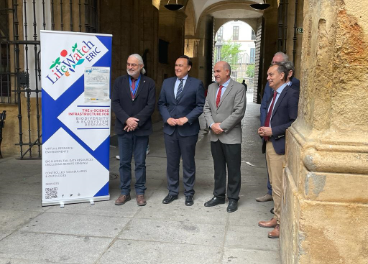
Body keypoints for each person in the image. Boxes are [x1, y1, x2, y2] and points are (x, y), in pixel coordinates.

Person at [257, 62, 299, 238]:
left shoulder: (291, 94)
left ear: (282, 75)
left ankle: (281, 225)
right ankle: (276, 217)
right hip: (270, 142)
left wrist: (273, 130)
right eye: (267, 75)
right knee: (274, 184)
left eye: (271, 75)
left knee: (279, 187)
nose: (268, 78)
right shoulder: (275, 94)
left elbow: (294, 122)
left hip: (279, 144)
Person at [158, 55, 205, 206]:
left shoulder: (197, 84)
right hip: (170, 129)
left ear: (189, 67)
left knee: (188, 163)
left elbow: (200, 105)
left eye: (181, 65)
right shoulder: (167, 83)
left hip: (188, 130)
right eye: (176, 65)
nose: (177, 68)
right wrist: (167, 118)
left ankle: (189, 193)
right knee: (171, 163)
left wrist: (187, 118)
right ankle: (172, 192)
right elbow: (161, 103)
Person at [111, 54, 156, 206]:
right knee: (124, 162)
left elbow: (150, 105)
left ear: (141, 66)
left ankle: (140, 192)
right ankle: (124, 192)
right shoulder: (119, 82)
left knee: (140, 162)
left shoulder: (149, 83)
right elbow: (115, 103)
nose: (130, 67)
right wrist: (127, 119)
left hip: (141, 130)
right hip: (124, 129)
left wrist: (136, 121)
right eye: (128, 64)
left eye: (134, 65)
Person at [203, 61, 246, 213]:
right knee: (218, 168)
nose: (215, 74)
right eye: (214, 71)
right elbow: (206, 108)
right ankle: (219, 195)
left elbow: (239, 112)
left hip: (231, 136)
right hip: (215, 136)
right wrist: (211, 125)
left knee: (234, 169)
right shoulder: (211, 87)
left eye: (218, 71)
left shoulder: (239, 88)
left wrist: (222, 126)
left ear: (227, 72)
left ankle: (233, 198)